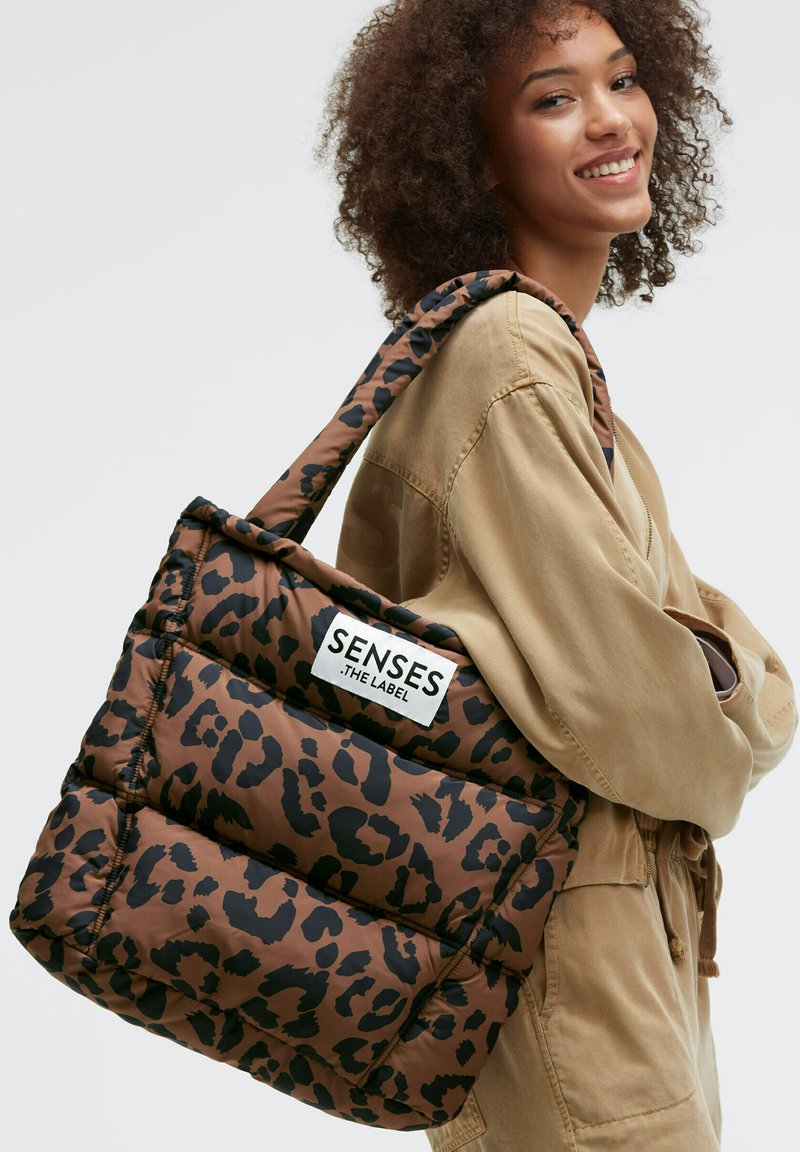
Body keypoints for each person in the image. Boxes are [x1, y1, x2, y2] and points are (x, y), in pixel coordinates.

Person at [321, 1, 798, 1149]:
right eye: (551, 97)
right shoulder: (504, 361)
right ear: (470, 154)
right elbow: (643, 708)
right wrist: (727, 685)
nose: (609, 119)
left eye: (622, 80)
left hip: (590, 956)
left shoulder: (549, 369)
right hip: (560, 970)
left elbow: (674, 670)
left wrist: (704, 670)